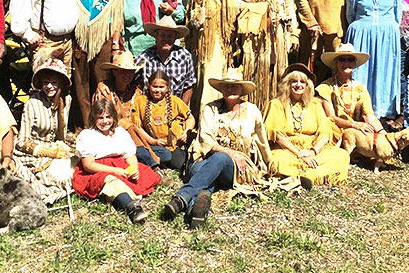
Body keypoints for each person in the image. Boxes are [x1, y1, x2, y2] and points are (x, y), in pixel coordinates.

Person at [161, 69, 274, 228]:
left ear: (241, 90)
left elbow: (262, 140)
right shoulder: (210, 109)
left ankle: (181, 197)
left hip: (237, 167)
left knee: (219, 160)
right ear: (221, 89)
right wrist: (229, 152)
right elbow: (205, 137)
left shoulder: (252, 111)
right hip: (205, 161)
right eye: (226, 86)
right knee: (207, 173)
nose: (230, 90)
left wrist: (269, 165)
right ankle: (195, 211)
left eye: (234, 87)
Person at [72, 95, 161, 224]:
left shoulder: (120, 133)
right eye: (100, 118)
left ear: (114, 118)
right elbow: (88, 165)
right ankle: (131, 206)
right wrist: (115, 171)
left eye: (108, 117)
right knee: (111, 182)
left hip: (120, 164)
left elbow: (130, 155)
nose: (105, 121)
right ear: (94, 118)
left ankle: (131, 194)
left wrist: (134, 168)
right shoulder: (88, 135)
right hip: (98, 169)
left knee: (143, 175)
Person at [183, 0, 241, 110]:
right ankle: (199, 120)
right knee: (199, 77)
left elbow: (231, 12)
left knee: (211, 77)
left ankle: (210, 117)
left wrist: (227, 39)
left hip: (216, 38)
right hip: (198, 40)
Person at [264, 65, 350, 186]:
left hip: (312, 150)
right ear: (287, 84)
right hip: (287, 150)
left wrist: (313, 152)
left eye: (302, 82)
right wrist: (298, 153)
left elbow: (325, 133)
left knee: (341, 155)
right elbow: (278, 136)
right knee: (278, 160)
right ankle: (309, 174)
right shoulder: (276, 104)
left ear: (307, 85)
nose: (298, 85)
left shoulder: (315, 104)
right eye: (294, 81)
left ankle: (301, 176)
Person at [344, 0, 403, 120]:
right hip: (362, 33)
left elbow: (397, 15)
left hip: (386, 35)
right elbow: (351, 14)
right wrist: (364, 26)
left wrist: (386, 27)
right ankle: (358, 109)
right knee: (361, 70)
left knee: (384, 70)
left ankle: (382, 111)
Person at [72, 0, 124, 126]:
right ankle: (85, 125)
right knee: (81, 85)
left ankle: (105, 123)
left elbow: (117, 19)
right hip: (80, 41)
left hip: (103, 40)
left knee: (102, 83)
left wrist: (116, 44)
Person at [15, 57, 75, 203]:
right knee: (50, 177)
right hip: (33, 153)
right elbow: (22, 141)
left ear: (61, 83)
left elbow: (61, 134)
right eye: (45, 82)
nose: (49, 86)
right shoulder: (32, 104)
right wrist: (48, 152)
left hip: (57, 148)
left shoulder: (66, 101)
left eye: (54, 82)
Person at [315, 44, 383, 151]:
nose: (346, 63)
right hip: (334, 129)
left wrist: (382, 133)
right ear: (336, 63)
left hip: (355, 133)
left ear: (354, 64)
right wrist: (354, 124)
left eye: (350, 60)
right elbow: (331, 117)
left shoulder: (361, 89)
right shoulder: (325, 87)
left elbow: (369, 116)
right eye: (342, 60)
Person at [133, 71, 195, 172]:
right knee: (165, 156)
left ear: (167, 88)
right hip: (153, 144)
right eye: (155, 86)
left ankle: (160, 163)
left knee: (178, 163)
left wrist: (187, 131)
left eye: (161, 87)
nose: (158, 90)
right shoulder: (140, 101)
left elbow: (190, 118)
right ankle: (153, 161)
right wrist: (154, 141)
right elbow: (137, 127)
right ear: (149, 86)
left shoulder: (174, 101)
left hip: (174, 145)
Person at [135, 16, 195, 108]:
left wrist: (181, 109)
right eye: (162, 35)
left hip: (175, 109)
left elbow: (189, 86)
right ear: (156, 36)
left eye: (170, 36)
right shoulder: (144, 57)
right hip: (149, 110)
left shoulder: (184, 56)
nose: (166, 39)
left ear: (175, 38)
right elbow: (130, 79)